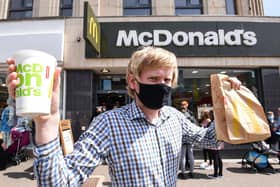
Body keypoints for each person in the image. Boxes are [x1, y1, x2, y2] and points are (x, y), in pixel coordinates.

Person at [6, 46, 241, 186]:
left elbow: (212, 140)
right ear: (132, 82)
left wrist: (227, 103)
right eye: (153, 79)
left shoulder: (174, 117)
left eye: (167, 80)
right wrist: (46, 124)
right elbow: (60, 183)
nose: (162, 86)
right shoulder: (109, 123)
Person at [178, 100, 197, 179]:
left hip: (182, 135)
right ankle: (191, 172)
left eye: (184, 104)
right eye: (182, 104)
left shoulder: (178, 113)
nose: (183, 105)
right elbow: (195, 123)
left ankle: (183, 173)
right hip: (188, 135)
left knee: (183, 155)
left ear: (187, 104)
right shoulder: (190, 113)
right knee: (190, 154)